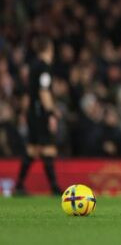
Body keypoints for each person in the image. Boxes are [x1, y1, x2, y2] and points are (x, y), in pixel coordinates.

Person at [15, 36, 62, 195]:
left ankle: (20, 185)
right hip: (40, 112)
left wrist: (24, 112)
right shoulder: (44, 67)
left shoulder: (33, 66)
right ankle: (55, 187)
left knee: (32, 149)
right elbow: (44, 91)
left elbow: (28, 93)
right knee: (48, 148)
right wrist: (51, 112)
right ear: (49, 48)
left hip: (32, 112)